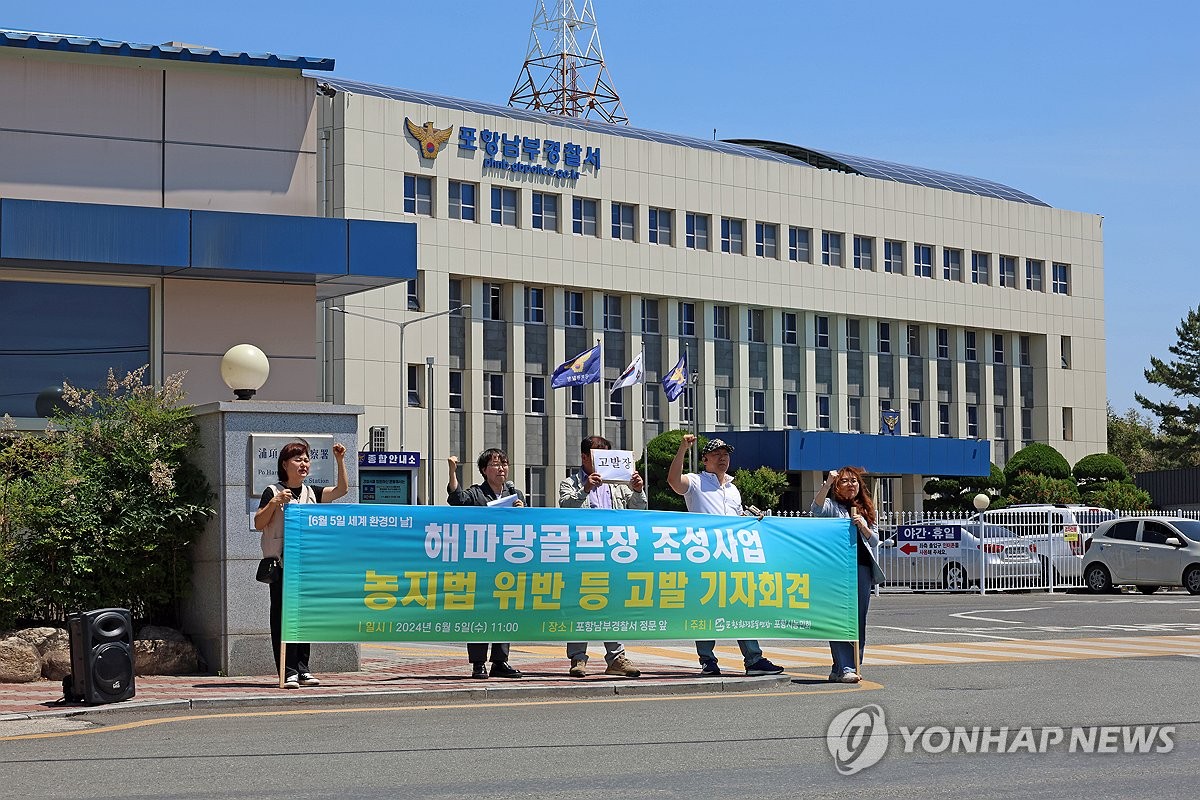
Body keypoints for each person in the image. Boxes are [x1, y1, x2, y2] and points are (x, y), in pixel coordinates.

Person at [667, 434, 785, 678]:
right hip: (705, 556)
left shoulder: (733, 488)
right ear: (705, 459)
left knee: (743, 607)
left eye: (726, 454)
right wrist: (682, 449)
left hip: (733, 556)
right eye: (717, 454)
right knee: (706, 608)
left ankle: (754, 660)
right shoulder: (696, 482)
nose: (723, 458)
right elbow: (673, 481)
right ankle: (708, 661)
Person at [253, 439, 348, 689]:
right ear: (285, 464)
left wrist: (340, 460)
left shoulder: (312, 492)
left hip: (307, 566)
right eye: (298, 459)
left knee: (304, 617)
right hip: (282, 566)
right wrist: (274, 504)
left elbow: (341, 490)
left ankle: (303, 669)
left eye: (306, 459)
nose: (304, 464)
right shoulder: (272, 492)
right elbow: (258, 523)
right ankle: (287, 670)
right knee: (283, 616)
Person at [558, 435, 646, 678]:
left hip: (613, 551)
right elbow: (565, 507)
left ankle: (616, 657)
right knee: (580, 603)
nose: (605, 460)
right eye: (599, 455)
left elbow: (638, 510)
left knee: (612, 603)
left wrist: (637, 490)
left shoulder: (618, 483)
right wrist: (585, 489)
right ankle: (578, 659)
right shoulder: (570, 482)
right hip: (582, 551)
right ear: (585, 457)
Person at [447, 448, 525, 680]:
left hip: (508, 560)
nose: (501, 468)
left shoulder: (515, 492)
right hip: (481, 561)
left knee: (505, 611)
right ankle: (478, 663)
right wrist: (452, 471)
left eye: (504, 464)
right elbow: (456, 500)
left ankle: (500, 661)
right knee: (480, 611)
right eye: (495, 464)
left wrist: (523, 513)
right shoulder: (476, 493)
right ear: (484, 470)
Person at [810, 466, 886, 684]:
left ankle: (848, 665)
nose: (851, 484)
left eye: (854, 481)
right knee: (839, 618)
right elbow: (815, 509)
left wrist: (863, 526)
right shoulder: (832, 507)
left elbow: (874, 540)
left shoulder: (865, 509)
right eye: (844, 481)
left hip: (861, 569)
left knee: (858, 620)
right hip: (837, 572)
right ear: (836, 486)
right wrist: (826, 483)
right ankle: (845, 667)